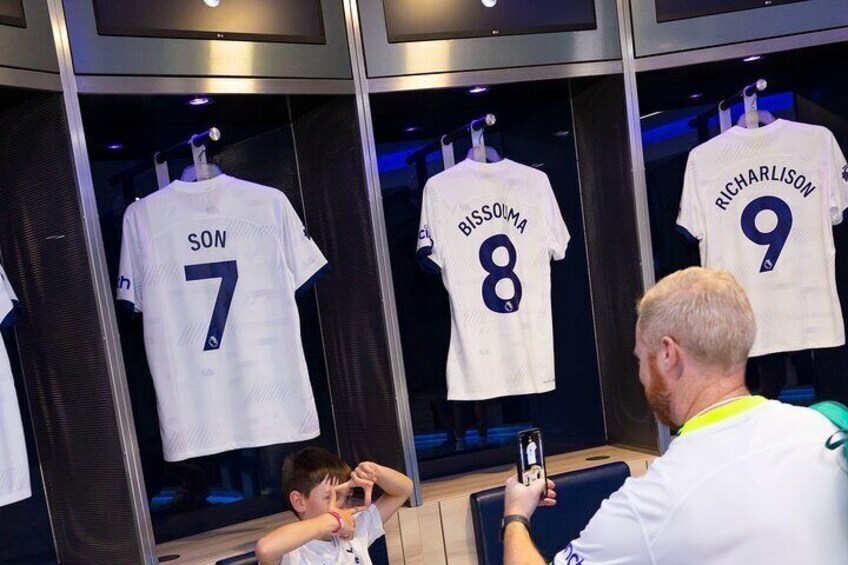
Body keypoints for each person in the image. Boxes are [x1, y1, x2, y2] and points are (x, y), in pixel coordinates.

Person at [502, 267, 848, 564]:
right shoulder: (826, 431)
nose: (640, 375)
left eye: (641, 359)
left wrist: (515, 515)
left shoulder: (652, 503)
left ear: (668, 354)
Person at [255, 447, 413, 565]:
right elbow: (265, 549)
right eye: (332, 496)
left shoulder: (355, 528)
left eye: (348, 496)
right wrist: (335, 520)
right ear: (299, 501)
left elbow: (404, 490)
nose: (343, 505)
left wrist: (374, 471)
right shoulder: (291, 553)